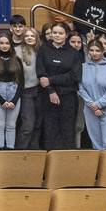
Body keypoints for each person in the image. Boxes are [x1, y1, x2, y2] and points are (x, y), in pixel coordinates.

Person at [37, 22, 83, 150]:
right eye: (55, 33)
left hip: (68, 95)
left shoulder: (74, 53)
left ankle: (66, 157)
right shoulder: (43, 49)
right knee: (50, 129)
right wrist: (51, 91)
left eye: (60, 33)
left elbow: (75, 76)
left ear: (66, 35)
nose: (57, 35)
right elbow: (41, 74)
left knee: (67, 129)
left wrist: (51, 80)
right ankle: (51, 157)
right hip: (48, 95)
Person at [74, 36, 106, 150]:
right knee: (96, 143)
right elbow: (81, 87)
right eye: (91, 50)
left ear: (103, 51)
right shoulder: (83, 67)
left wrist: (99, 104)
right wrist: (92, 105)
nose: (94, 53)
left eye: (97, 50)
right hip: (90, 109)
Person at [0, 33, 24, 149]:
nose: (4, 46)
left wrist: (14, 100)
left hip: (14, 91)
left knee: (11, 125)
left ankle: (10, 149)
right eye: (1, 43)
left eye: (7, 43)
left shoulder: (16, 59)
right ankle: (0, 150)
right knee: (0, 124)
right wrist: (1, 100)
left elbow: (22, 81)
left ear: (11, 45)